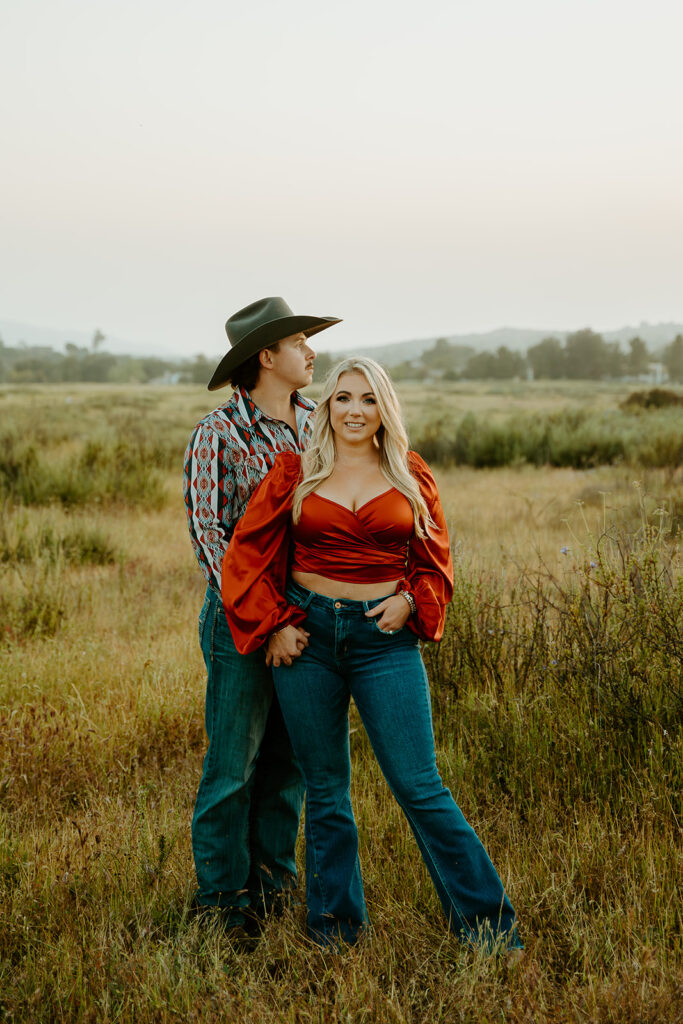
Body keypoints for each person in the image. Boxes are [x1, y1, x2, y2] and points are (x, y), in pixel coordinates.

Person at [221, 356, 523, 951]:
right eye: (343, 399)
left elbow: (436, 559)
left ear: (384, 409)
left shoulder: (409, 473)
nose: (355, 411)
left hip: (384, 643)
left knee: (420, 785)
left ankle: (490, 931)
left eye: (367, 400)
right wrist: (274, 624)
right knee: (326, 789)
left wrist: (412, 600)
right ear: (326, 406)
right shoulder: (293, 473)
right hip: (308, 641)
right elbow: (246, 557)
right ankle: (334, 934)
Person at [183, 296, 342, 933]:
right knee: (232, 766)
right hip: (240, 621)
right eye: (301, 342)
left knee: (289, 764)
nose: (312, 352)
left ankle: (274, 893)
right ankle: (222, 905)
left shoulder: (320, 426)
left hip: (309, 619)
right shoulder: (217, 434)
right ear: (267, 356)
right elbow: (210, 542)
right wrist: (269, 618)